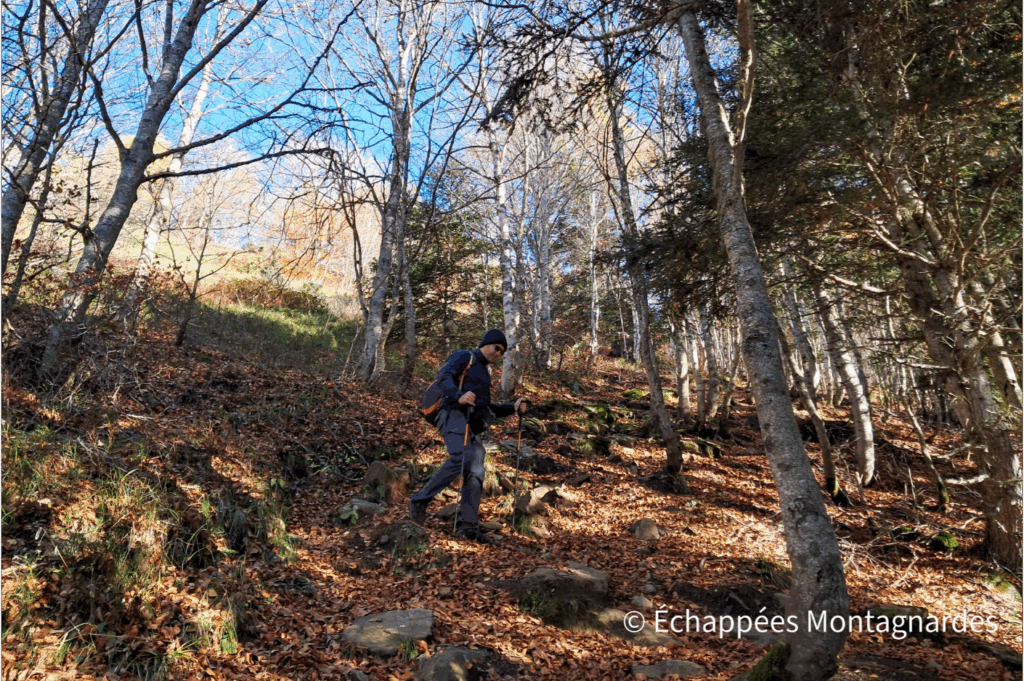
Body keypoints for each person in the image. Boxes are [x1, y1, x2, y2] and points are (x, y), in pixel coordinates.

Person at [409, 329, 528, 543]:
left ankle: (469, 527)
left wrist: (513, 407)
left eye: (502, 352)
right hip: (452, 414)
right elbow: (444, 376)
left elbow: (487, 407)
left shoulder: (484, 372)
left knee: (476, 470)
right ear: (487, 343)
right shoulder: (466, 356)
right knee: (460, 457)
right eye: (497, 348)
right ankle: (419, 500)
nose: (498, 354)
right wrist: (459, 395)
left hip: (469, 426)